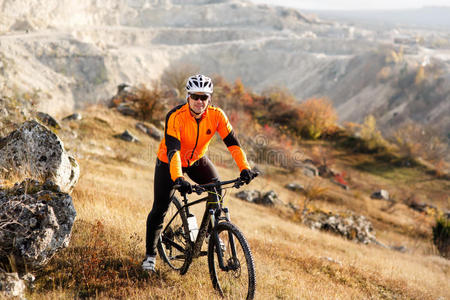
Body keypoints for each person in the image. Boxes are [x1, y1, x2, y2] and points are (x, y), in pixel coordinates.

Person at [142, 74, 257, 271]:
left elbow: (234, 145)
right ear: (188, 96)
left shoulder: (217, 116)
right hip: (169, 162)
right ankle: (150, 256)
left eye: (204, 97)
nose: (199, 101)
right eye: (195, 96)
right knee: (160, 208)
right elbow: (173, 151)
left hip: (196, 160)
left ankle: (211, 233)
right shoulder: (175, 116)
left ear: (209, 99)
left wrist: (244, 168)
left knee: (216, 190)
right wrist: (178, 177)